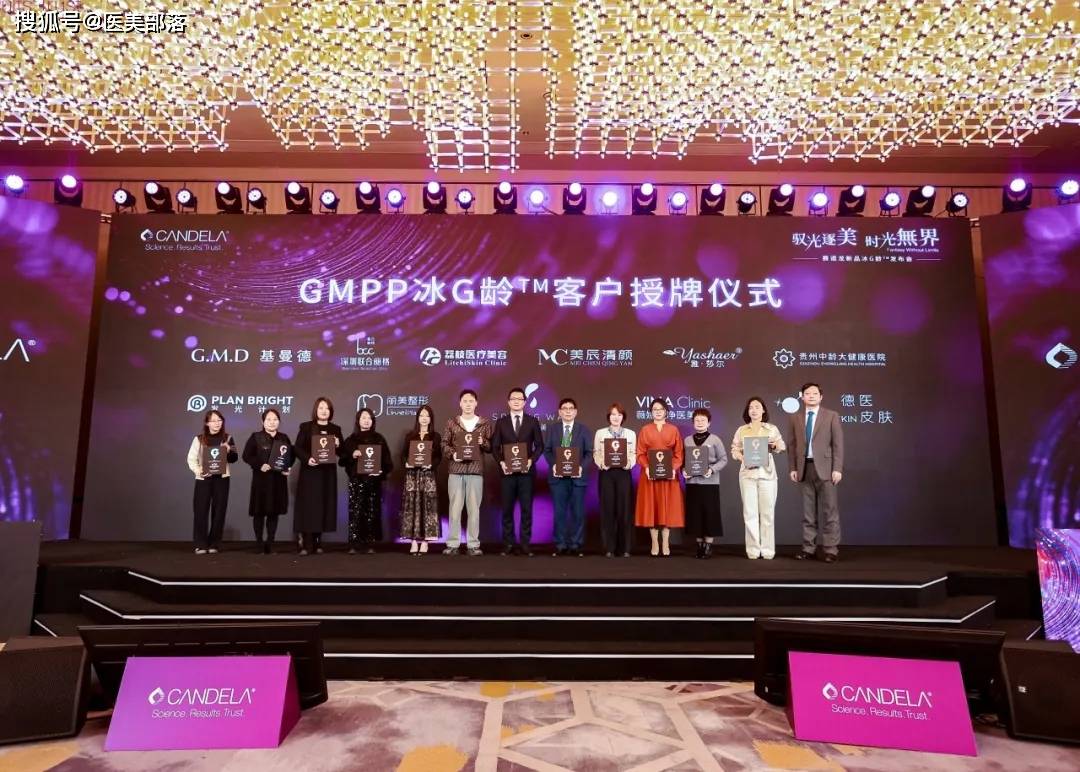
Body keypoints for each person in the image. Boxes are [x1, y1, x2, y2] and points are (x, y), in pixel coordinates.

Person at [787, 382, 845, 562]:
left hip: (826, 469)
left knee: (830, 511)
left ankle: (830, 550)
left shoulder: (831, 415)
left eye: (814, 393)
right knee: (808, 514)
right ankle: (808, 548)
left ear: (821, 397)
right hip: (805, 468)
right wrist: (793, 467)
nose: (811, 396)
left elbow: (838, 444)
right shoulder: (795, 418)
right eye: (807, 393)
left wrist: (837, 468)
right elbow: (792, 445)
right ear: (802, 397)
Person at [490, 386, 544, 556]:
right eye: (513, 399)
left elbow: (539, 446)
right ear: (508, 402)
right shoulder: (501, 422)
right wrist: (501, 463)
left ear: (524, 402)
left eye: (519, 399)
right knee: (507, 509)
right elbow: (494, 447)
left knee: (526, 510)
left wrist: (531, 460)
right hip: (507, 473)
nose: (516, 401)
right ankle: (508, 544)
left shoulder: (532, 421)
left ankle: (525, 544)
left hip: (527, 473)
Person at [731, 397, 786, 560]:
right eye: (751, 407)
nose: (754, 410)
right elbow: (734, 449)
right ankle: (753, 550)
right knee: (750, 513)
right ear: (747, 411)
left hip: (767, 475)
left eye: (757, 407)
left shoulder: (771, 429)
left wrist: (774, 445)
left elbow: (782, 446)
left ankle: (768, 550)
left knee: (767, 514)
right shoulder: (742, 430)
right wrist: (743, 458)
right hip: (747, 475)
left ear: (763, 410)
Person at [441, 388, 493, 556]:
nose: (468, 404)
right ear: (460, 403)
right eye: (465, 401)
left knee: (474, 510)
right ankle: (453, 544)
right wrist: (453, 454)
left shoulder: (484, 423)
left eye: (471, 401)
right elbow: (444, 444)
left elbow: (490, 447)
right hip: (456, 470)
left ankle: (473, 545)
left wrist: (483, 441)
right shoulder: (452, 423)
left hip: (476, 471)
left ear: (476, 403)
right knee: (455, 509)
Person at [292, 397, 344, 555]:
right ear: (316, 410)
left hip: (327, 473)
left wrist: (338, 445)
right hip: (310, 472)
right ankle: (305, 541)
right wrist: (308, 459)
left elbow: (342, 453)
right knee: (309, 506)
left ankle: (317, 540)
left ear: (331, 411)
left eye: (327, 408)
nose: (324, 411)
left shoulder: (335, 429)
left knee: (323, 505)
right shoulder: (306, 427)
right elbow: (297, 448)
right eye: (321, 408)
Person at [339, 407, 393, 554]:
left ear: (373, 421)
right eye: (363, 417)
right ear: (358, 421)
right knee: (356, 512)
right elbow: (342, 461)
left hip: (374, 482)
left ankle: (370, 543)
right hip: (357, 482)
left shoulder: (379, 439)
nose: (366, 420)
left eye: (369, 418)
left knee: (372, 512)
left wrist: (381, 472)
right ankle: (354, 544)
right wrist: (352, 455)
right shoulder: (351, 440)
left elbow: (388, 462)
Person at [635, 399, 684, 556]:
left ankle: (666, 543)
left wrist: (673, 468)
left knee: (667, 508)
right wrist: (647, 467)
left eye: (660, 409)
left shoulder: (673, 429)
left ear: (666, 412)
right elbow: (640, 453)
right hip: (650, 475)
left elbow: (679, 453)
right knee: (652, 507)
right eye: (654, 409)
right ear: (651, 412)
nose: (657, 411)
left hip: (668, 476)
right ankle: (655, 543)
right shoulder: (645, 430)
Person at [544, 397, 593, 556]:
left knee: (578, 513)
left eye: (571, 408)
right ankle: (560, 545)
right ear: (559, 412)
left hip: (578, 478)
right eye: (564, 408)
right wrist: (554, 465)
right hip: (558, 478)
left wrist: (580, 467)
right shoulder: (552, 429)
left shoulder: (583, 430)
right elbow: (547, 451)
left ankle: (576, 545)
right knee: (559, 513)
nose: (567, 411)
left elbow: (589, 453)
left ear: (575, 412)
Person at [241, 408, 293, 554]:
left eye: (275, 419)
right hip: (261, 481)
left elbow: (290, 456)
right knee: (259, 512)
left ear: (279, 421)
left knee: (273, 513)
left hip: (278, 481)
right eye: (268, 419)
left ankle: (270, 543)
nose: (272, 422)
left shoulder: (284, 437)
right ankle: (259, 544)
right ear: (262, 421)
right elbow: (246, 456)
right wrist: (259, 465)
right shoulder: (256, 437)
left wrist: (288, 467)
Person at [186, 409, 238, 554]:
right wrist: (199, 471)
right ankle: (200, 544)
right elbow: (191, 459)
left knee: (219, 511)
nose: (217, 423)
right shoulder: (199, 439)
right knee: (200, 511)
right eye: (213, 421)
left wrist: (228, 450)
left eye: (219, 420)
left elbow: (234, 459)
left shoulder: (228, 438)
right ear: (207, 423)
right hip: (204, 479)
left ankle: (214, 543)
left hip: (222, 479)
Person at [683, 408, 728, 559]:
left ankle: (708, 546)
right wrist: (684, 471)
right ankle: (699, 545)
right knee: (695, 514)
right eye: (697, 420)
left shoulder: (715, 439)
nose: (700, 422)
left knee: (710, 513)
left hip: (710, 483)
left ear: (709, 423)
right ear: (693, 423)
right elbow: (684, 461)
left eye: (703, 420)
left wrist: (712, 470)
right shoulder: (687, 440)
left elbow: (724, 459)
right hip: (692, 483)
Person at [593, 402, 636, 558]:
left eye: (619, 414)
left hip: (624, 474)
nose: (616, 417)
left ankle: (625, 548)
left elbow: (633, 453)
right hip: (607, 474)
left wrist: (629, 463)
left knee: (625, 511)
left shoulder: (630, 434)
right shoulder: (600, 433)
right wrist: (601, 463)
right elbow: (596, 452)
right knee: (607, 510)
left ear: (623, 417)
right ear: (608, 417)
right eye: (613, 414)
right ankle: (609, 548)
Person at [400, 404, 443, 555]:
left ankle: (425, 542)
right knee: (412, 507)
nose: (424, 418)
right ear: (417, 418)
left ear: (431, 419)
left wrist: (432, 465)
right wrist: (406, 463)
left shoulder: (435, 436)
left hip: (428, 476)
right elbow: (403, 454)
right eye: (421, 415)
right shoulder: (410, 436)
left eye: (427, 416)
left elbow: (438, 456)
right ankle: (413, 541)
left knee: (428, 507)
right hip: (412, 476)